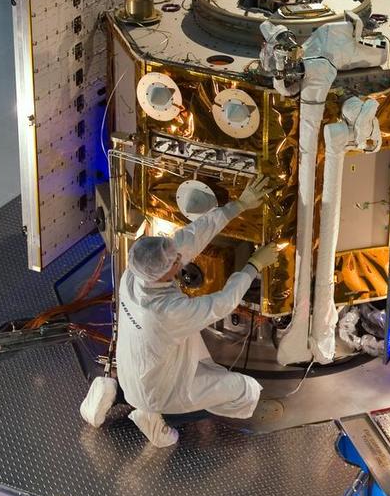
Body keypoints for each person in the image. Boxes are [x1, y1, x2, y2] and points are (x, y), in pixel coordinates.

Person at [84, 175, 279, 446]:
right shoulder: (167, 312)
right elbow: (223, 303)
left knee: (176, 367)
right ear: (163, 275)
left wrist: (240, 204)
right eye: (175, 261)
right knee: (245, 391)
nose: (179, 258)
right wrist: (254, 265)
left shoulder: (134, 275)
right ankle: (157, 417)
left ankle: (110, 392)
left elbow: (190, 238)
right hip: (158, 392)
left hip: (132, 372)